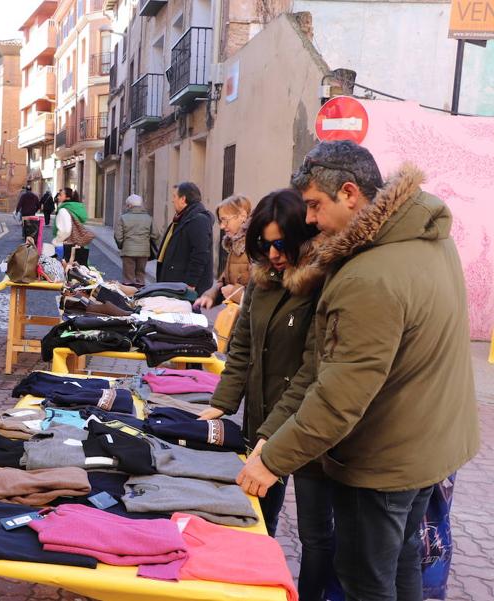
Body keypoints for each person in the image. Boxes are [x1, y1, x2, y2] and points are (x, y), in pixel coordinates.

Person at [238, 141, 479, 601]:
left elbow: (337, 396)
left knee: (365, 578)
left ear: (349, 193)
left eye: (314, 205)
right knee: (405, 558)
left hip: (386, 458)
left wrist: (270, 460)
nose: (308, 220)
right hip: (431, 443)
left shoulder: (367, 275)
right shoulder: (426, 236)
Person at [198, 188, 338, 600]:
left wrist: (273, 436)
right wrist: (221, 404)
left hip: (306, 426)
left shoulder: (322, 284)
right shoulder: (262, 280)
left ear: (300, 236)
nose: (273, 254)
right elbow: (241, 348)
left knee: (315, 534)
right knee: (257, 517)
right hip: (261, 417)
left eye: (281, 243)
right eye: (264, 244)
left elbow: (313, 370)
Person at [155, 182, 214, 295]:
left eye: (174, 197)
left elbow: (200, 254)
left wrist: (190, 283)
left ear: (183, 199)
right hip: (176, 282)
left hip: (184, 286)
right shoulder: (182, 218)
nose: (172, 200)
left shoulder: (198, 219)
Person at [195, 194, 252, 309]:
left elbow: (261, 293)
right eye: (220, 221)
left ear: (242, 216)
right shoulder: (235, 245)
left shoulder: (254, 247)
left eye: (225, 220)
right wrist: (210, 296)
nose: (221, 226)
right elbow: (224, 281)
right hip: (237, 318)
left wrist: (234, 292)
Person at [113, 194, 158, 287]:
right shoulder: (148, 218)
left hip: (128, 251)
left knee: (128, 278)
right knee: (140, 275)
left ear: (129, 205)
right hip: (144, 252)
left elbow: (118, 236)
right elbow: (155, 235)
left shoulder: (123, 218)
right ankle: (140, 294)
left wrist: (121, 246)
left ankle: (129, 296)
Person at [51, 187, 90, 265]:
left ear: (67, 197)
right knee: (76, 271)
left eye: (60, 195)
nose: (58, 197)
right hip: (79, 245)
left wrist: (56, 241)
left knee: (64, 272)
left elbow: (66, 230)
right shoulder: (76, 208)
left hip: (65, 246)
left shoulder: (63, 210)